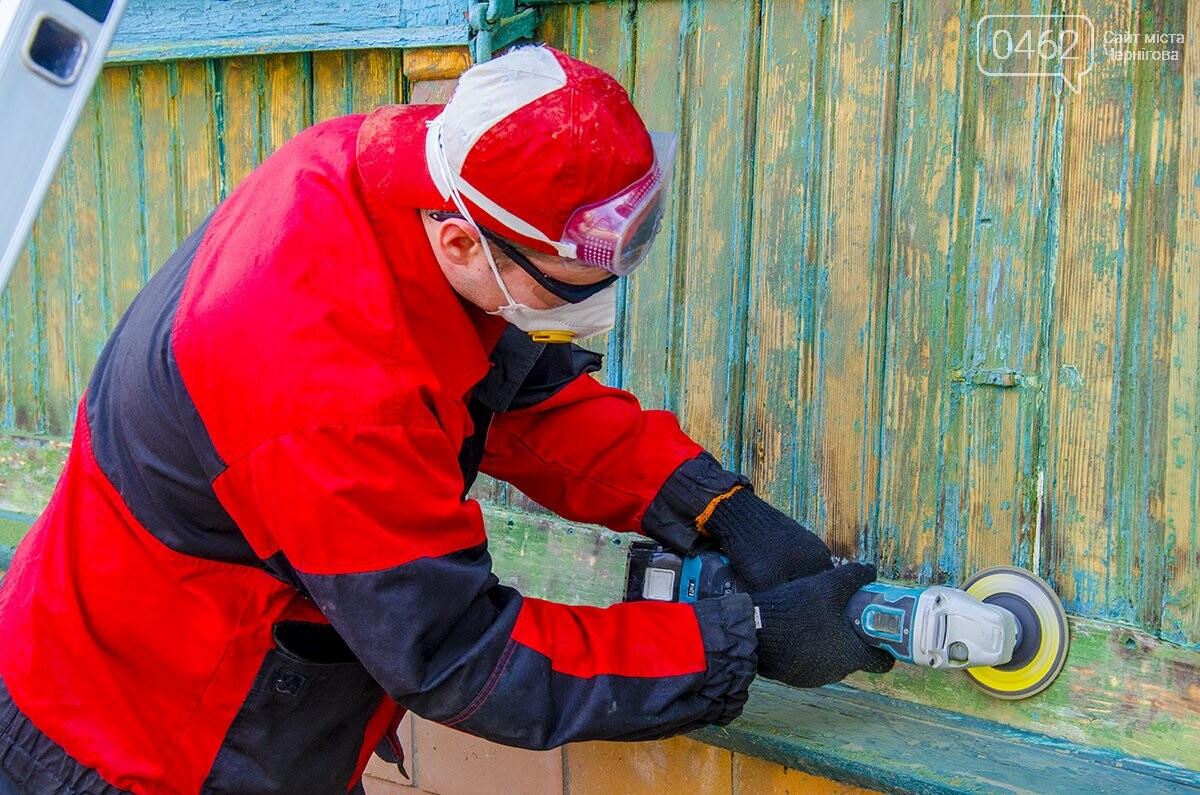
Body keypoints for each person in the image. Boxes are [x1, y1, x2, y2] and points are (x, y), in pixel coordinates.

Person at [0, 45, 892, 794]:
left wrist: (714, 506)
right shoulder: (330, 395)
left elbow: (519, 397)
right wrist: (751, 641)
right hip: (139, 740)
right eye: (567, 286)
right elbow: (465, 657)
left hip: (196, 685)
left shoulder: (391, 174)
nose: (597, 313)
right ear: (464, 240)